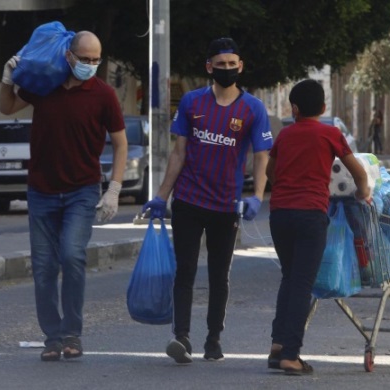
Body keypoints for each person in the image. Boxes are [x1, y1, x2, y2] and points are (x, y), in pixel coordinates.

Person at [0, 31, 128, 361]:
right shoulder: (46, 83)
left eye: (95, 60)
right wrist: (7, 79)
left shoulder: (103, 94)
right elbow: (7, 107)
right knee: (43, 267)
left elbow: (120, 141)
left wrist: (114, 188)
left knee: (72, 256)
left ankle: (72, 332)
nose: (90, 65)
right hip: (41, 189)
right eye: (84, 59)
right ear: (69, 56)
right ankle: (53, 337)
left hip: (82, 191)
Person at [142, 37, 273, 363]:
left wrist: (256, 196)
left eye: (232, 65)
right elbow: (179, 152)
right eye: (221, 64)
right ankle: (181, 337)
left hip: (226, 204)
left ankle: (213, 338)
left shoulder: (253, 109)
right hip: (188, 200)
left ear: (240, 66)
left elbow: (261, 156)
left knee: (219, 274)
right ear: (209, 67)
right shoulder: (191, 102)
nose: (227, 70)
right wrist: (161, 196)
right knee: (184, 270)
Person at [266, 79, 371, 375]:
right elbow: (357, 171)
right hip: (310, 215)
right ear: (324, 108)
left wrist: (285, 189)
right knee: (302, 283)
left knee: (289, 277)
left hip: (279, 215)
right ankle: (291, 354)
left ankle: (277, 345)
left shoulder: (285, 135)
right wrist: (363, 192)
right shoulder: (330, 133)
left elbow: (270, 171)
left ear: (294, 109)